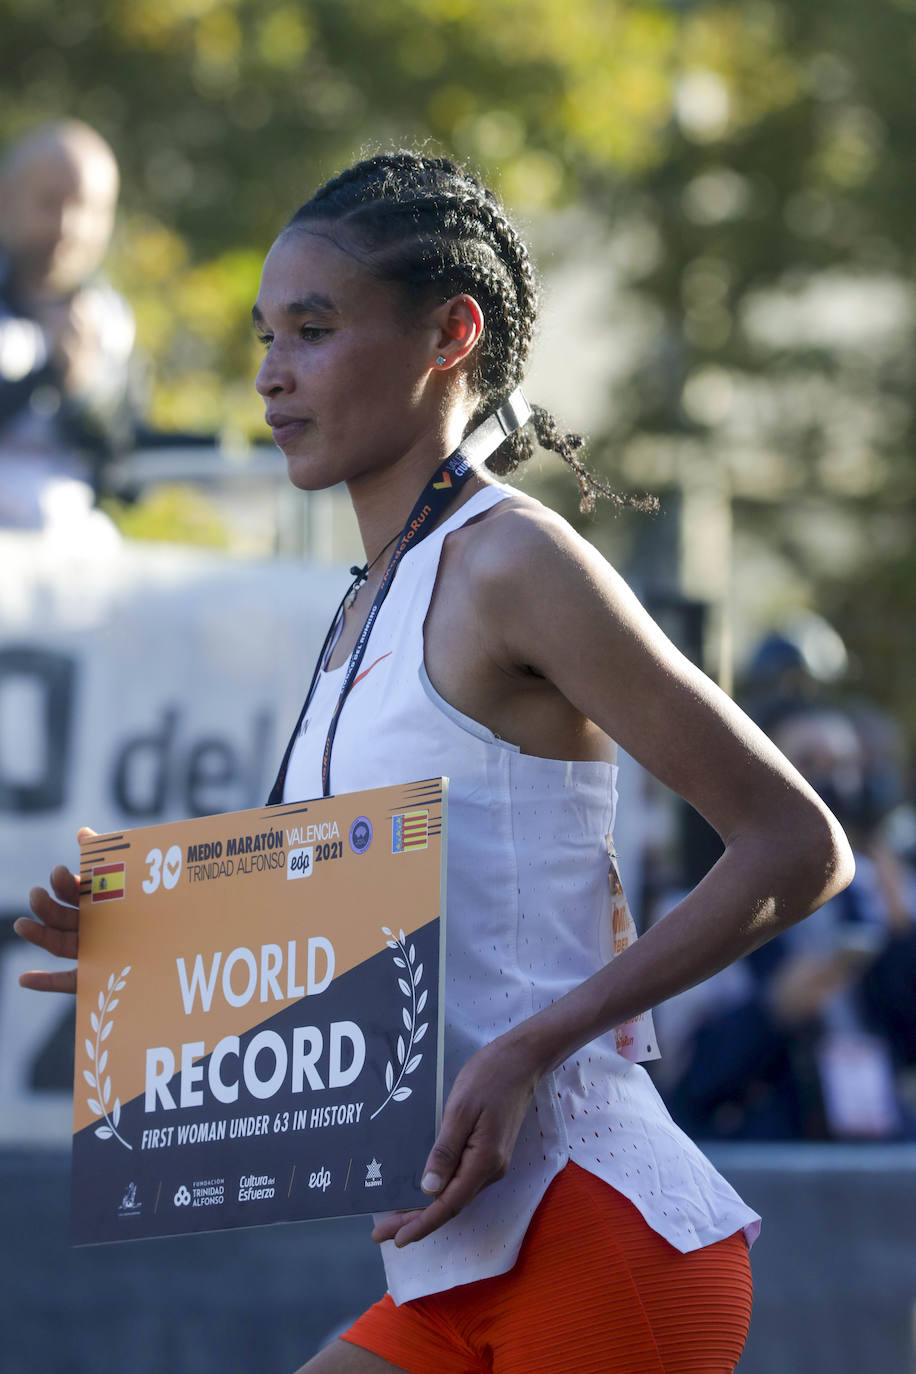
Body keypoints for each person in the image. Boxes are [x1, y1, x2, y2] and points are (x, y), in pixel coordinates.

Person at [17, 152, 854, 1373]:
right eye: (265, 336)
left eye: (313, 329)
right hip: (454, 1260)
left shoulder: (515, 563)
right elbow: (409, 925)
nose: (270, 374)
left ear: (451, 334)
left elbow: (797, 846)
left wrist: (531, 1050)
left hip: (598, 1238)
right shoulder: (367, 602)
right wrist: (161, 957)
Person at [0, 119, 136, 529]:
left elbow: (123, 469)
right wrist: (43, 376)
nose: (68, 227)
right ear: (7, 202)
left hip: (69, 562)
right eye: (49, 203)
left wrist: (82, 390)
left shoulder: (113, 321)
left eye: (87, 209)